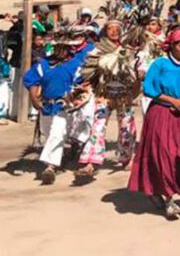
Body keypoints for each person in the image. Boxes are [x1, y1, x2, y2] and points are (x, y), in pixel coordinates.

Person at [127, 28, 180, 219]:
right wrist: (173, 101)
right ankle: (169, 198)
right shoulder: (160, 64)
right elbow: (149, 88)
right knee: (164, 154)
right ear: (171, 46)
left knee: (176, 155)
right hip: (161, 113)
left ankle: (159, 190)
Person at [22, 32, 92, 185]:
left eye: (62, 47)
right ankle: (59, 158)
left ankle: (50, 167)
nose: (59, 51)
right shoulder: (43, 64)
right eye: (56, 47)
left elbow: (85, 82)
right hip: (46, 105)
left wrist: (77, 94)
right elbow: (31, 80)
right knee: (48, 134)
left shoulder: (76, 64)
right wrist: (34, 98)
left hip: (65, 106)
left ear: (68, 48)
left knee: (57, 133)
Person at [77, 19, 140, 178]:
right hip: (104, 95)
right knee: (97, 127)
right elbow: (89, 70)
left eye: (117, 28)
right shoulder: (98, 49)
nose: (114, 31)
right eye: (110, 28)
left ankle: (126, 158)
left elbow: (136, 70)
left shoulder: (129, 49)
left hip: (124, 96)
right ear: (105, 31)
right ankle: (91, 162)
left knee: (126, 127)